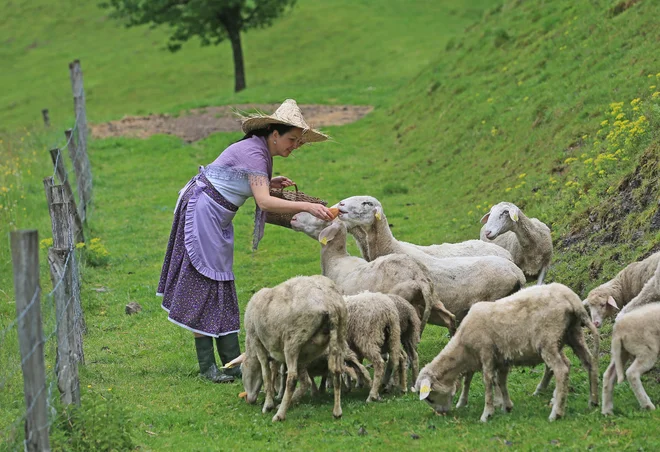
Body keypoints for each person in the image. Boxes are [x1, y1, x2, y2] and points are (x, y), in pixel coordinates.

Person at [157, 99, 334, 383]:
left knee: (221, 282)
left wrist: (269, 181)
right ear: (273, 134)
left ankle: (231, 362)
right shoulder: (256, 153)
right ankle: (208, 367)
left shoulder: (260, 152)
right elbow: (264, 202)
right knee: (206, 283)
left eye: (298, 143)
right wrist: (306, 207)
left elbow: (240, 181)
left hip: (215, 213)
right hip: (203, 211)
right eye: (291, 140)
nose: (294, 147)